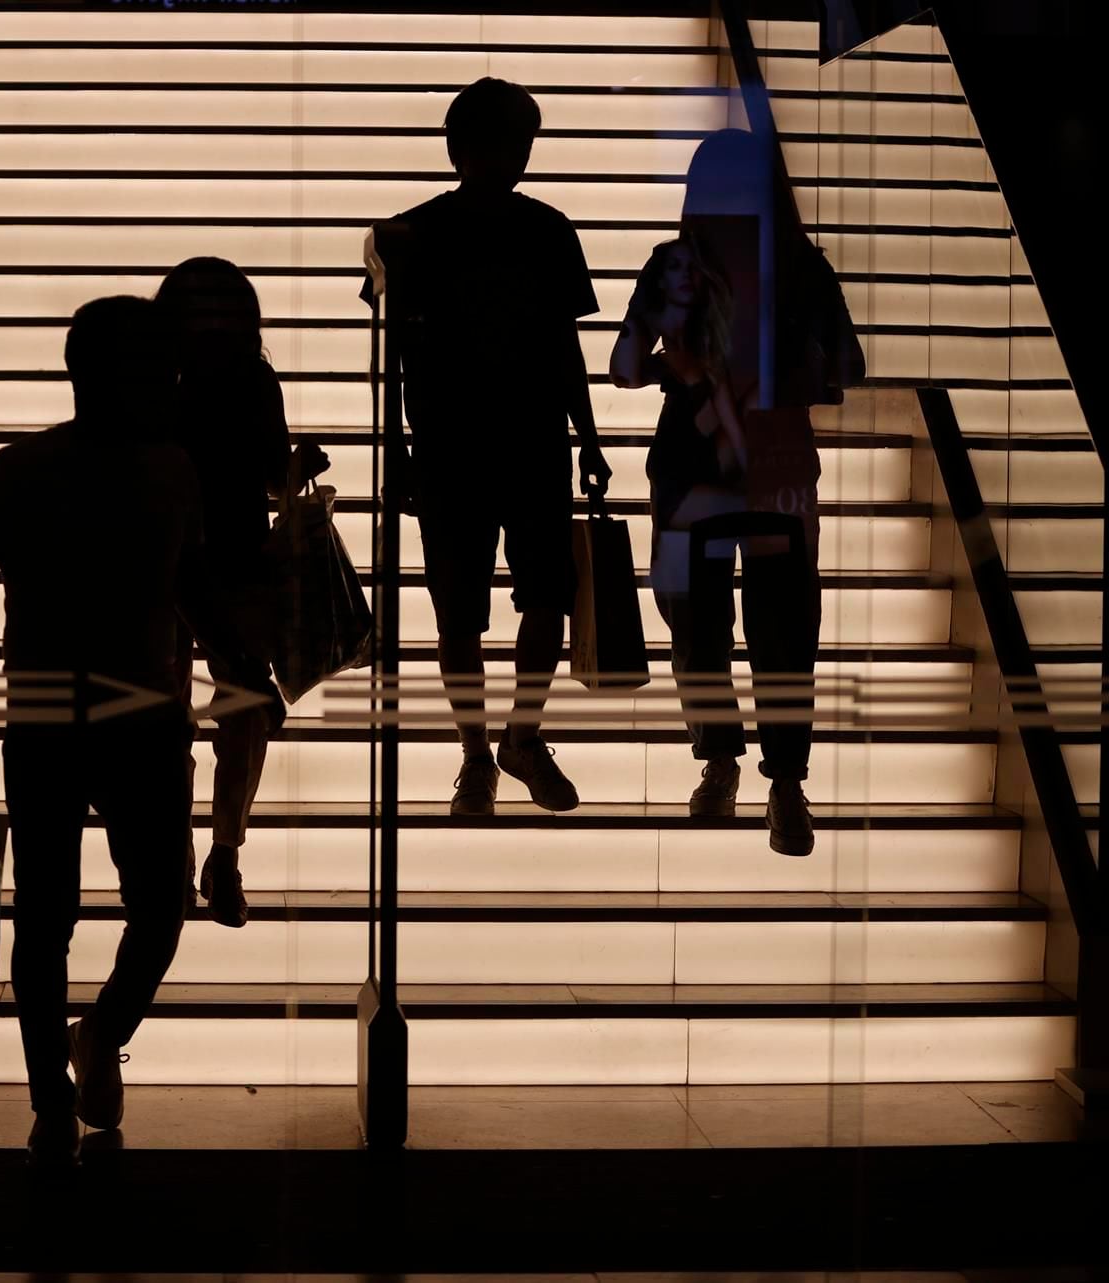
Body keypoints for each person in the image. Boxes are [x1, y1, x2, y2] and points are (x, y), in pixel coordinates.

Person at [0, 295, 223, 1168]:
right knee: (156, 903)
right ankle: (98, 1037)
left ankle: (50, 1097)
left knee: (46, 916)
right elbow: (193, 586)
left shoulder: (19, 470)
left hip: (45, 711)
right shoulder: (173, 471)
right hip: (147, 713)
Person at [361, 76, 611, 816]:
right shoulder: (541, 230)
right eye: (510, 142)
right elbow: (561, 345)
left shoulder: (414, 234)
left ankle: (491, 750)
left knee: (489, 607)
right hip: (496, 443)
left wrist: (587, 437)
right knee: (494, 605)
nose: (515, 156)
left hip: (473, 444)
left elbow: (393, 354)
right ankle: (506, 742)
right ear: (464, 148)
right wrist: (587, 438)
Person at [612, 129, 864, 855]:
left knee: (697, 624)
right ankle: (785, 784)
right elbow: (847, 368)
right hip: (778, 463)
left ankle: (720, 763)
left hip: (693, 466)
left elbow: (624, 365)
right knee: (784, 625)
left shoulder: (674, 267)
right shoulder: (803, 268)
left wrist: (676, 367)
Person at [154, 256, 327, 928]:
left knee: (173, 717)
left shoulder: (160, 384)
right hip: (235, 555)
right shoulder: (254, 379)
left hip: (168, 560)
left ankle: (183, 850)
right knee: (244, 712)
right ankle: (223, 854)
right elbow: (270, 477)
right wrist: (294, 470)